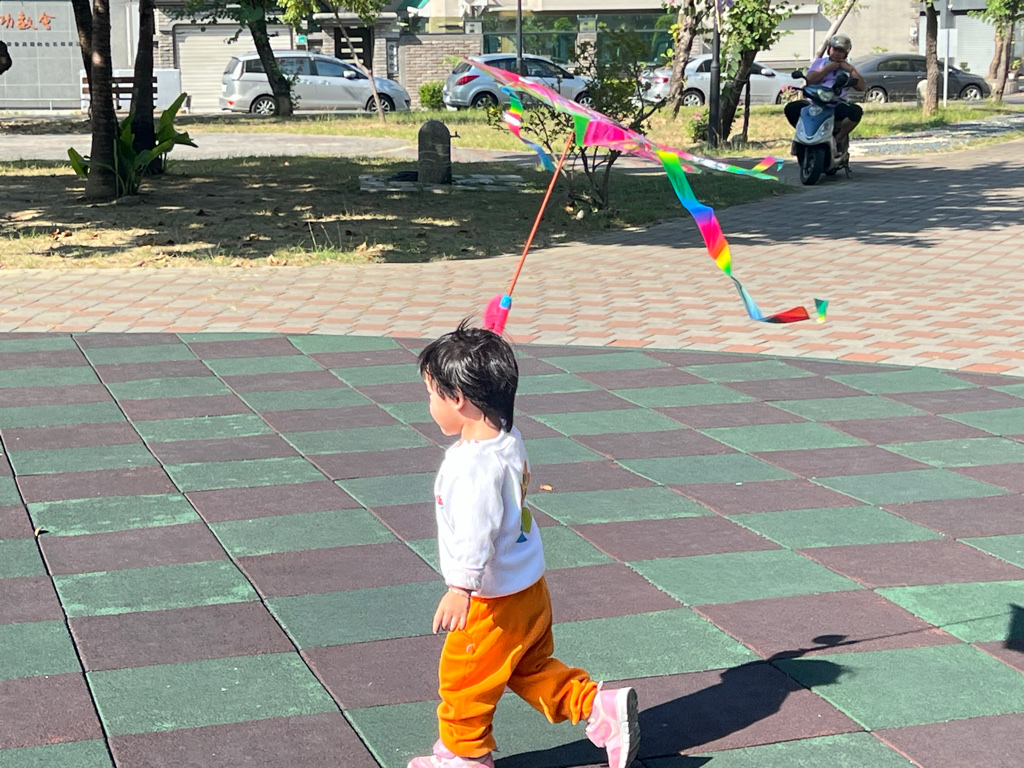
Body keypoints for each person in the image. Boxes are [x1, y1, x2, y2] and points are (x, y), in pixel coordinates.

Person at [409, 322, 640, 768]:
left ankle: (466, 756)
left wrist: (460, 587)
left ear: (458, 399)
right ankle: (597, 706)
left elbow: (475, 530)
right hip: (529, 588)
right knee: (527, 668)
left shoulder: (470, 466)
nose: (430, 405)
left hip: (491, 601)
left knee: (463, 679)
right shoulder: (506, 440)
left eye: (432, 394)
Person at [785, 33, 866, 153]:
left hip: (836, 104)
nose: (837, 53)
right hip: (814, 102)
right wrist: (828, 68)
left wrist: (850, 70)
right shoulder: (819, 63)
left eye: (840, 51)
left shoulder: (848, 68)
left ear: (846, 53)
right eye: (834, 49)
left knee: (856, 112)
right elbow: (810, 80)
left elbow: (861, 87)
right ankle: (800, 137)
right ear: (829, 49)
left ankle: (838, 139)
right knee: (791, 108)